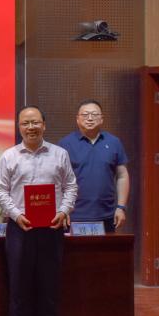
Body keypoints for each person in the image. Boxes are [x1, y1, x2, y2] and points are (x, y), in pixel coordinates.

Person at [0, 106, 77, 316]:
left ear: (44, 125)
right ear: (19, 127)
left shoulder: (59, 154)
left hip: (52, 227)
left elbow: (71, 186)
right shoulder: (9, 156)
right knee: (20, 283)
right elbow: (0, 190)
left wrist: (63, 211)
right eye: (25, 123)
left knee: (49, 282)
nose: (31, 127)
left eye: (35, 122)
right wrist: (16, 215)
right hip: (20, 228)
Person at [57, 99, 129, 233]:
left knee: (105, 247)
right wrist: (62, 210)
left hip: (107, 214)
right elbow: (58, 180)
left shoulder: (114, 142)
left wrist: (121, 207)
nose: (90, 118)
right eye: (85, 115)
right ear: (77, 119)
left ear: (101, 119)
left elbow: (122, 175)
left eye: (94, 114)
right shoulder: (65, 144)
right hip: (73, 214)